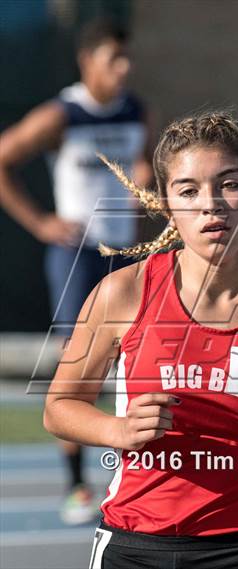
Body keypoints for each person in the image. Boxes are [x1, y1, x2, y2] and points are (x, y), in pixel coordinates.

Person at [43, 110, 238, 568]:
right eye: (188, 191)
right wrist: (117, 429)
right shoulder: (122, 293)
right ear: (167, 205)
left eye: (230, 184)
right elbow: (59, 407)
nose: (211, 205)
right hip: (131, 545)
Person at [0, 17, 161, 525]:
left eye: (127, 58)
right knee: (78, 369)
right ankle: (75, 486)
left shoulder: (138, 110)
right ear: (86, 61)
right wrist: (41, 223)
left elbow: (144, 160)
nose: (124, 68)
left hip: (126, 253)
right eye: (114, 58)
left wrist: (144, 180)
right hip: (77, 255)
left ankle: (137, 473)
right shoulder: (61, 115)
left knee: (137, 361)